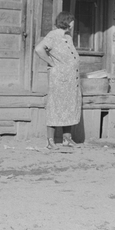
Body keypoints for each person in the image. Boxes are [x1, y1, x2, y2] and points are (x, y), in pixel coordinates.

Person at [34, 11, 82, 149]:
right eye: (72, 20)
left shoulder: (67, 37)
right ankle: (50, 142)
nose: (73, 23)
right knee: (55, 106)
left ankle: (67, 139)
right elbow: (38, 49)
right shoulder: (53, 35)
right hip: (59, 78)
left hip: (72, 79)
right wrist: (51, 63)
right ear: (67, 22)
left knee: (69, 106)